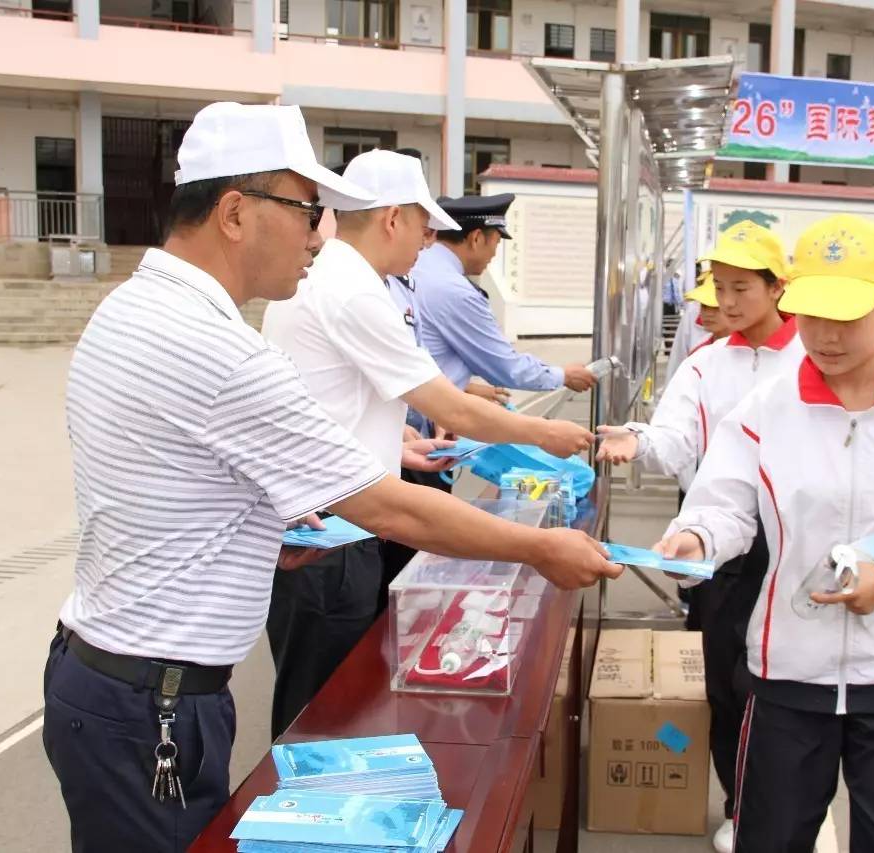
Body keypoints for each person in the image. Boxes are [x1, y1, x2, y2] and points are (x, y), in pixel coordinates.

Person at [42, 103, 622, 853]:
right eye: (306, 209)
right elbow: (389, 508)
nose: (318, 234)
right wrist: (541, 548)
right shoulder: (218, 349)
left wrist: (262, 534)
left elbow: (166, 484)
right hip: (151, 700)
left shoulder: (134, 306)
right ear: (234, 213)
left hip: (114, 679)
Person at [656, 213, 874, 853]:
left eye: (847, 316)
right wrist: (697, 539)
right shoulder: (768, 409)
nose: (825, 335)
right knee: (770, 838)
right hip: (788, 674)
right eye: (814, 313)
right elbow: (726, 505)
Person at [259, 149, 597, 738]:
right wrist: (545, 433)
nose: (428, 240)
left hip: (331, 521)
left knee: (335, 695)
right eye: (423, 225)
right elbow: (450, 406)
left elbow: (329, 403)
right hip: (331, 535)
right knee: (322, 712)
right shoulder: (352, 290)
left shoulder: (340, 278)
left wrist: (396, 445)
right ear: (392, 218)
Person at [596, 222, 802, 853]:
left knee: (787, 687)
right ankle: (742, 806)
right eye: (721, 287)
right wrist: (639, 441)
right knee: (726, 684)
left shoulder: (813, 355)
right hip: (722, 539)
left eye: (742, 288)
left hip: (798, 547)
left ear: (778, 287)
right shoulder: (706, 364)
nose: (727, 301)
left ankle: (790, 808)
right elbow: (677, 437)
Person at [411, 193, 598, 422]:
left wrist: (466, 387)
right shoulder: (455, 291)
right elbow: (504, 366)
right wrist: (563, 375)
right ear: (476, 238)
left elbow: (430, 353)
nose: (493, 254)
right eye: (496, 243)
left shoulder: (417, 266)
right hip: (419, 422)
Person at [666, 270, 727, 383]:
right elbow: (677, 364)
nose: (709, 313)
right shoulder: (698, 352)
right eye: (704, 306)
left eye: (715, 307)